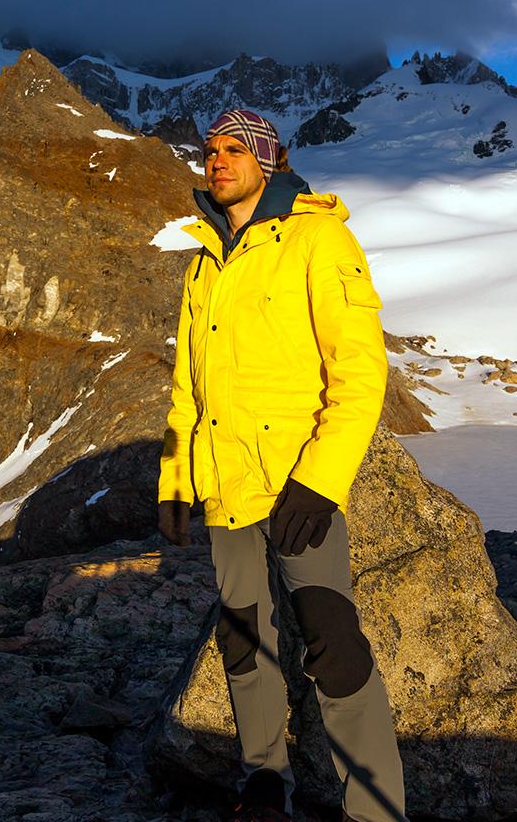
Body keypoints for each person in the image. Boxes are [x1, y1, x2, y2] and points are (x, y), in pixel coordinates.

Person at [157, 109, 405, 822]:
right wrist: (177, 480)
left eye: (236, 150)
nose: (218, 162)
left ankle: (379, 810)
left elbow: (358, 373)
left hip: (296, 486)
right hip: (226, 487)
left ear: (271, 159)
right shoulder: (206, 256)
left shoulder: (320, 237)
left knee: (333, 645)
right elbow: (187, 389)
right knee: (243, 638)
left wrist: (321, 481)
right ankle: (264, 785)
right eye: (211, 151)